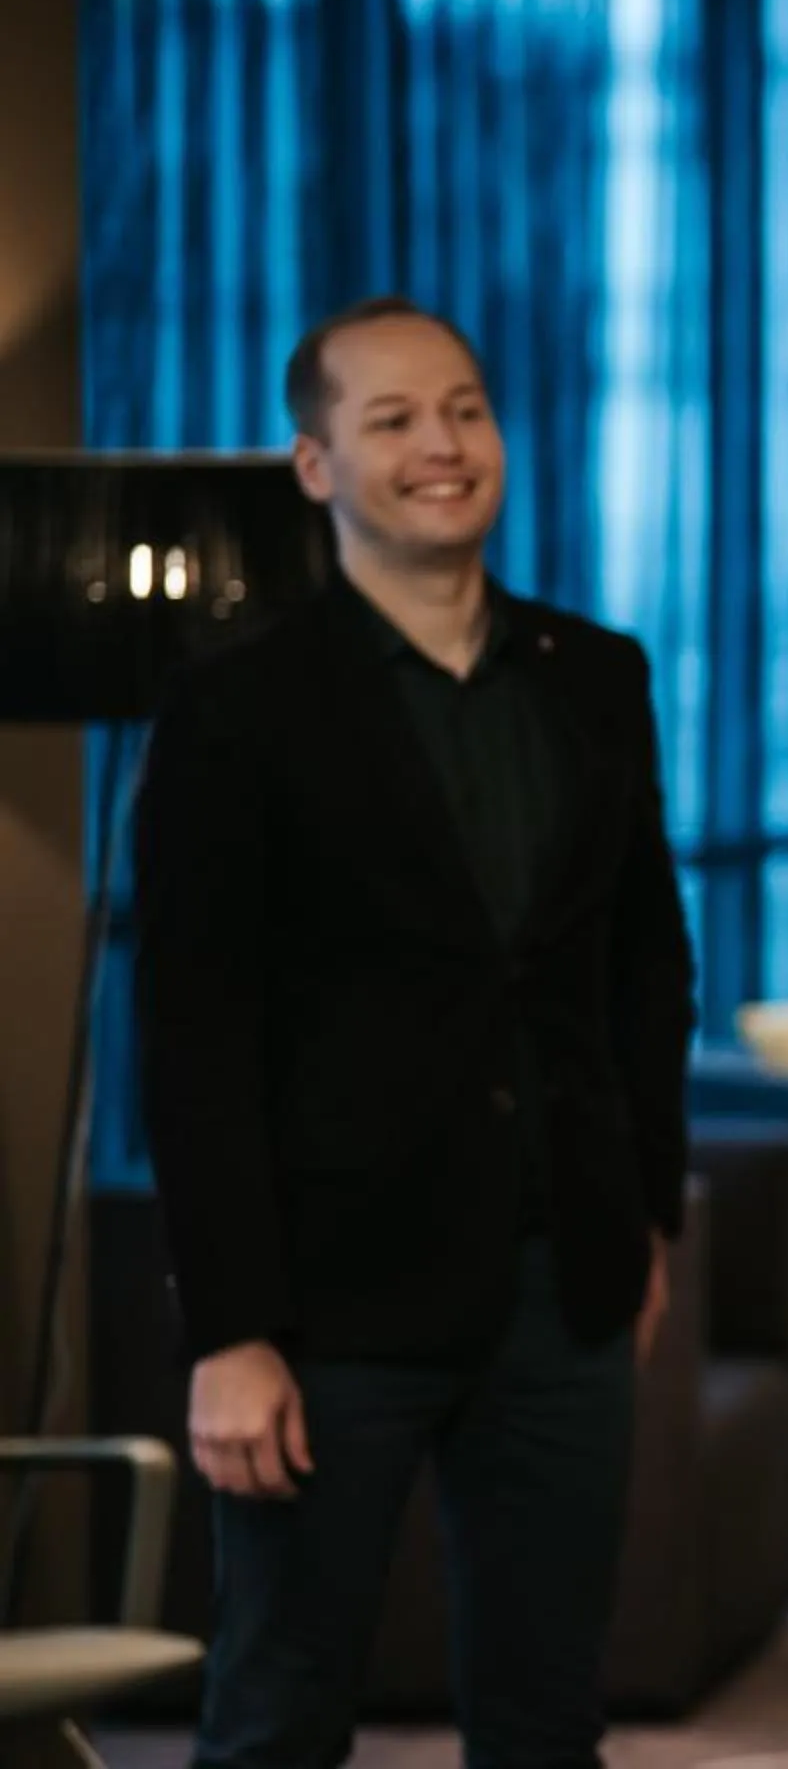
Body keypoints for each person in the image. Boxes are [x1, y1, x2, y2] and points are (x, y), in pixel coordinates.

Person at [136, 296, 695, 1768]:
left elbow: (646, 966)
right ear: (317, 466)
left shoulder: (601, 675)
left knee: (543, 1717)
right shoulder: (233, 710)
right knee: (278, 1711)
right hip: (326, 1311)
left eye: (463, 408)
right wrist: (231, 1332)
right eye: (391, 421)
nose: (442, 446)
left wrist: (645, 1213)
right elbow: (192, 1037)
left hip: (562, 1288)